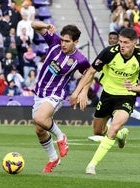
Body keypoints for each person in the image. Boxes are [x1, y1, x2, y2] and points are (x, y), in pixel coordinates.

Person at [69, 28, 140, 175]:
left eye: (126, 43)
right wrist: (78, 92)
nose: (122, 45)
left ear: (134, 43)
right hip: (107, 95)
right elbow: (91, 72)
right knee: (98, 131)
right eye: (120, 42)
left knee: (113, 128)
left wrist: (135, 88)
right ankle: (121, 135)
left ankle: (91, 165)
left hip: (127, 97)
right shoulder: (109, 52)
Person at [31, 21, 90, 173]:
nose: (63, 43)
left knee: (39, 119)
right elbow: (33, 25)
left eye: (67, 41)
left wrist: (80, 92)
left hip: (55, 93)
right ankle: (53, 158)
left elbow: (89, 73)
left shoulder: (79, 59)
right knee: (39, 129)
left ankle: (60, 136)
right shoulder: (54, 41)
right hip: (39, 93)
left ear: (76, 42)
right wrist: (46, 25)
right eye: (62, 40)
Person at [105, 31, 140, 134]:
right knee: (121, 110)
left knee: (116, 110)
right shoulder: (110, 52)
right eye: (111, 38)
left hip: (123, 85)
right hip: (113, 85)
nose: (112, 40)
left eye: (114, 39)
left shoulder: (133, 54)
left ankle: (110, 134)